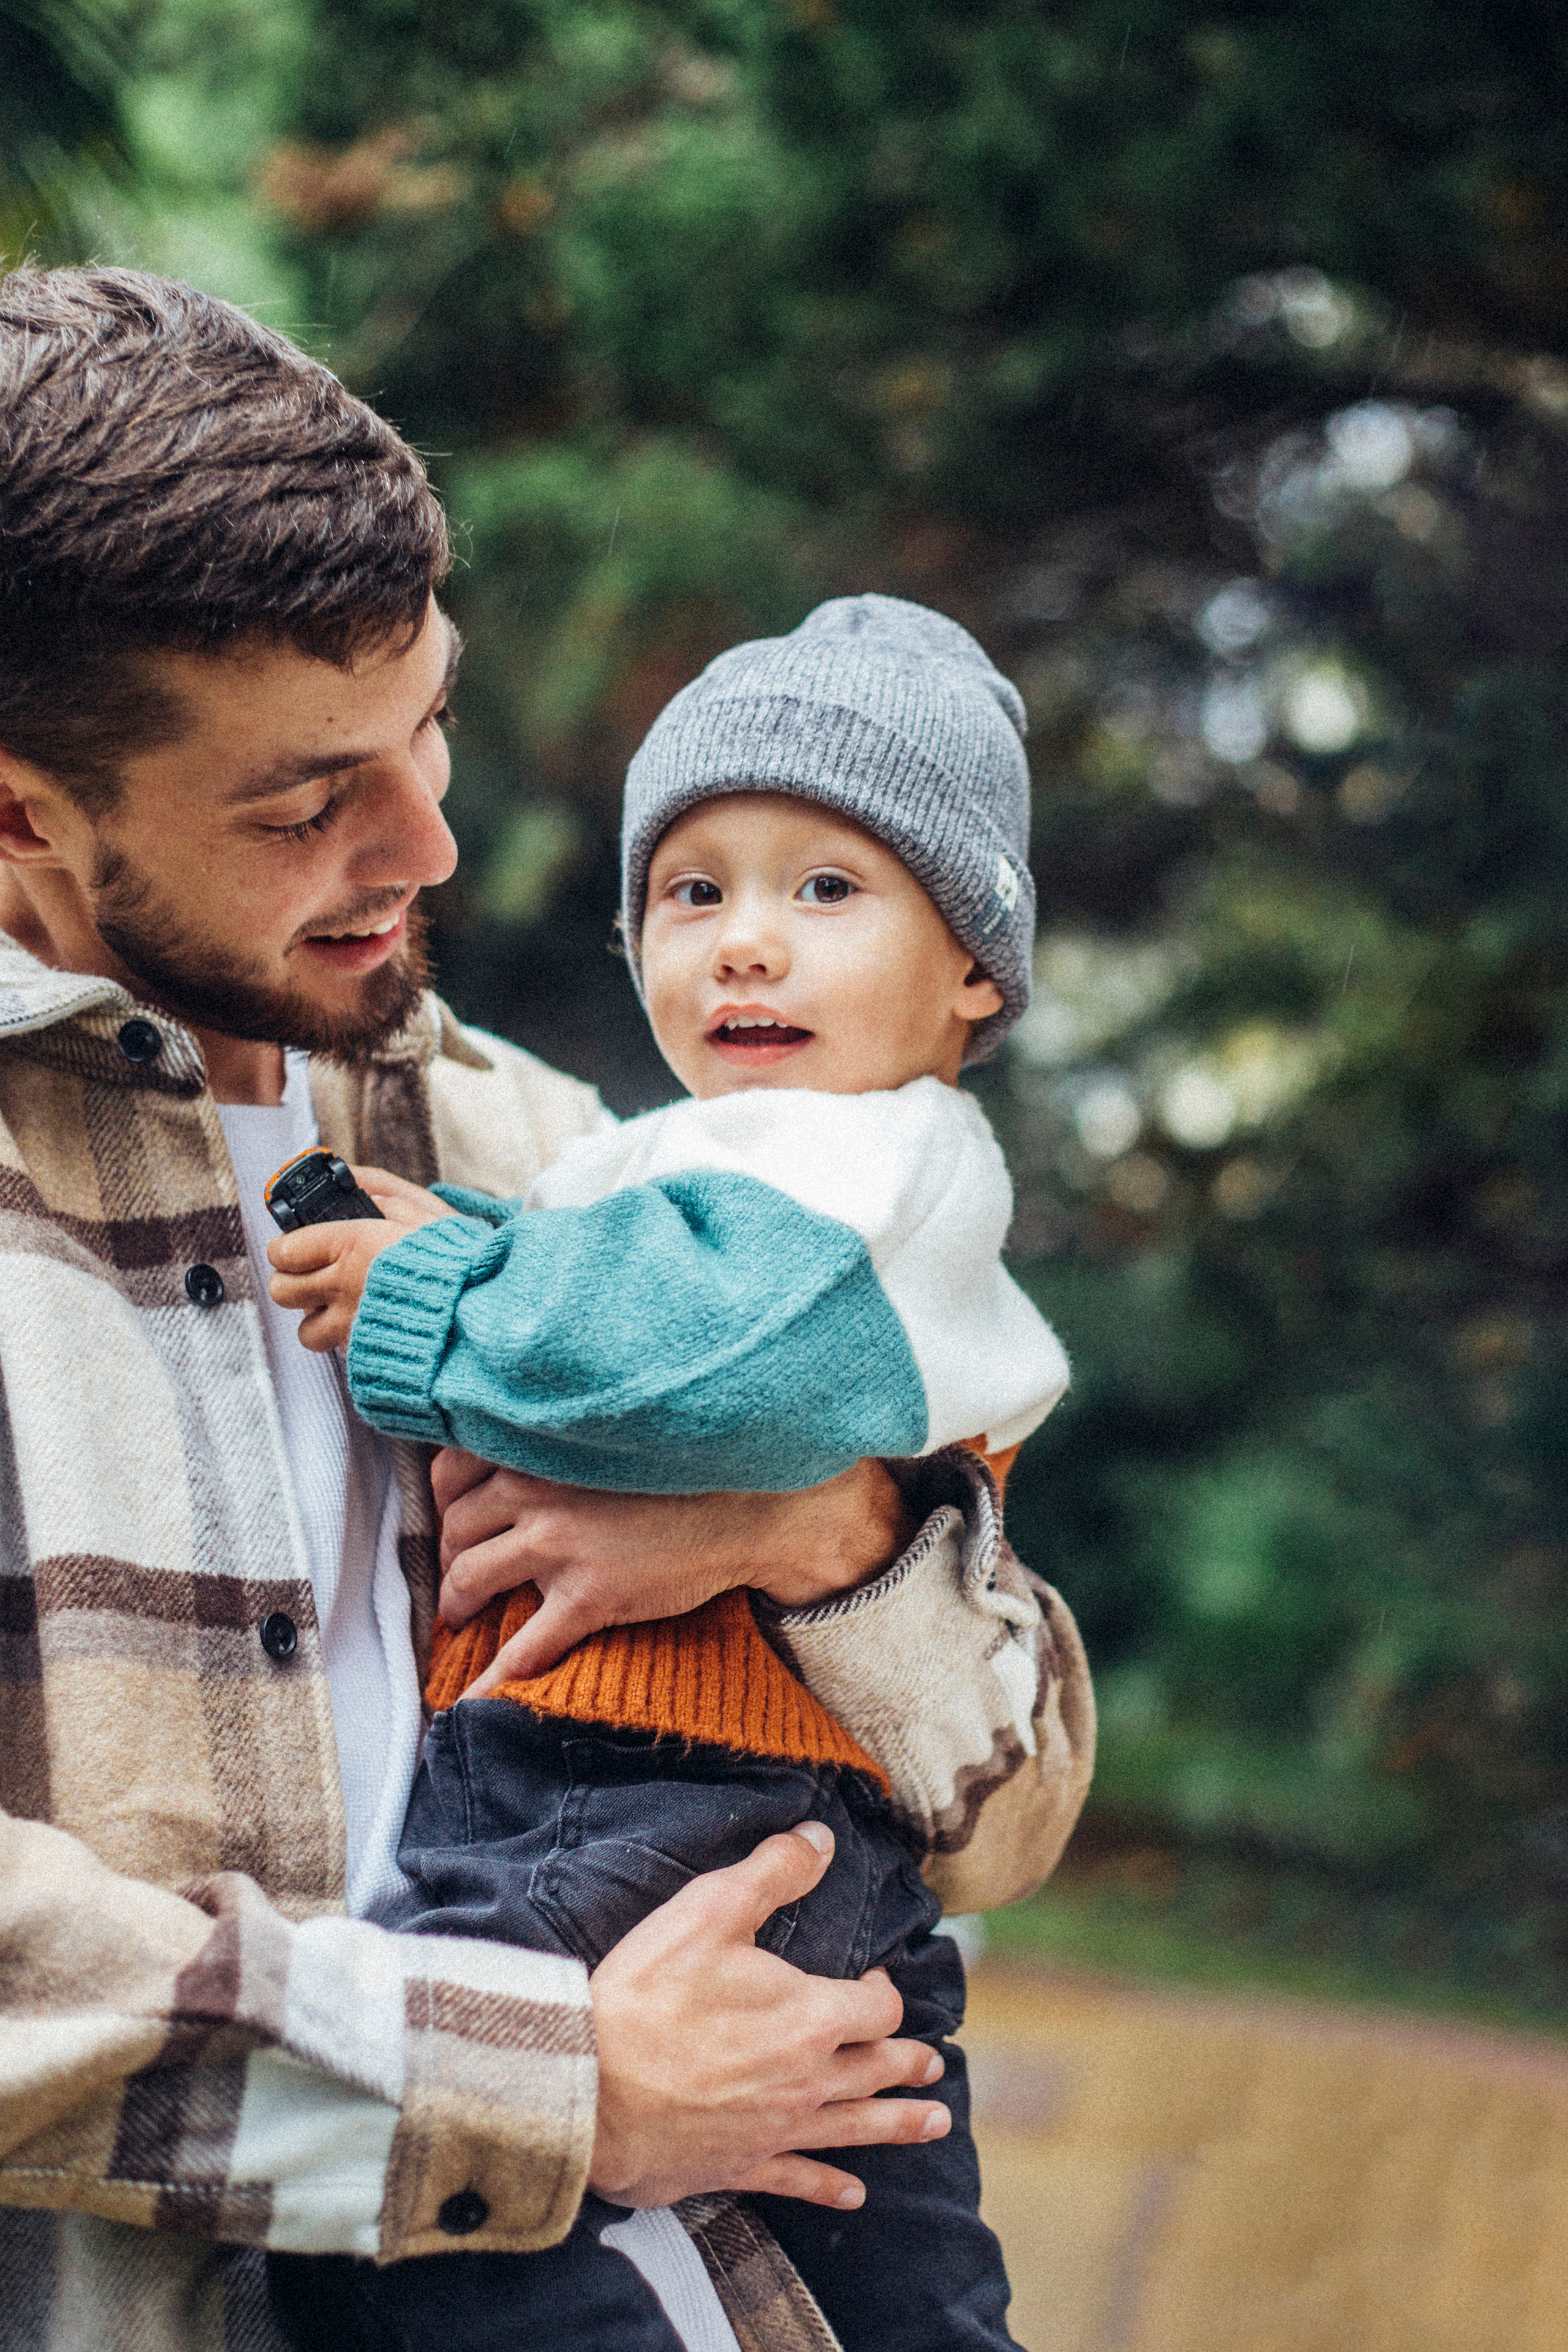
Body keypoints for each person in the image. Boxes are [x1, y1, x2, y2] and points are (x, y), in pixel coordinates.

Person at [0, 268, 1095, 2352]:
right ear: (21, 809)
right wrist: (542, 2088)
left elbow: (1022, 1787)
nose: (430, 840)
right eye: (308, 800)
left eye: (428, 724)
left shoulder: (560, 1152)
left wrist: (837, 1546)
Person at [264, 597, 1071, 2352]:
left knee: (384, 2216)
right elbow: (599, 1263)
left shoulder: (878, 1164)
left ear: (976, 973)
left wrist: (422, 1302)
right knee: (913, 2279)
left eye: (827, 890)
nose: (744, 947)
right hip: (753, 1815)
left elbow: (700, 1356)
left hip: (634, 1798)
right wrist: (461, 1233)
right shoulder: (675, 1154)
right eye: (694, 891)